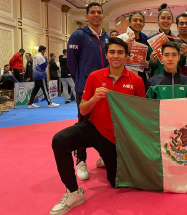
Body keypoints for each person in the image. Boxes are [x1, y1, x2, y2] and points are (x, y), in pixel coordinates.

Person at [50, 38, 145, 215]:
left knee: (116, 182)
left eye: (120, 52)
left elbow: (140, 115)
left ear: (126, 56)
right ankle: (73, 192)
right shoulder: (95, 76)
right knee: (59, 140)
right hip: (94, 129)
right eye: (112, 52)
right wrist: (94, 99)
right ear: (107, 55)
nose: (116, 56)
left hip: (117, 137)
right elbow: (83, 109)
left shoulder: (136, 81)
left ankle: (105, 157)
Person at [67, 2, 110, 177]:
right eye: (92, 12)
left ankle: (102, 155)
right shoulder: (78, 35)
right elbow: (71, 63)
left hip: (105, 88)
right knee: (83, 123)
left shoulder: (107, 38)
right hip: (85, 87)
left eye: (99, 12)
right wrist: (81, 82)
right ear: (87, 16)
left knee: (104, 121)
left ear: (103, 16)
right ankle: (81, 160)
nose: (96, 15)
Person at [147, 3, 187, 77]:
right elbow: (147, 67)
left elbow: (180, 65)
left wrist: (182, 55)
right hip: (157, 80)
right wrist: (152, 62)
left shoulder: (178, 41)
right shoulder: (150, 40)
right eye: (163, 18)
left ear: (172, 21)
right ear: (157, 20)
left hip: (175, 78)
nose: (166, 21)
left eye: (169, 18)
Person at [117, 11, 150, 84]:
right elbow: (114, 59)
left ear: (143, 24)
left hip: (141, 78)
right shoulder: (120, 38)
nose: (138, 23)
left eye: (141, 21)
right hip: (123, 77)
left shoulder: (146, 39)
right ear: (129, 22)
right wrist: (126, 49)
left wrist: (148, 65)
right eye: (135, 20)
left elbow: (148, 61)